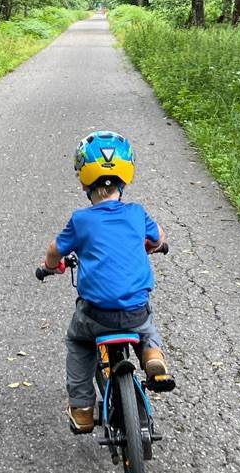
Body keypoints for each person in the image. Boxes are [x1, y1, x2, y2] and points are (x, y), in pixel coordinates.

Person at [40, 130, 174, 434]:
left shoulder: (81, 220)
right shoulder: (137, 213)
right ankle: (152, 355)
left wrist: (50, 267)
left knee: (78, 342)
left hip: (96, 316)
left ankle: (82, 408)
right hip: (134, 313)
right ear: (126, 176)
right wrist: (153, 245)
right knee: (145, 321)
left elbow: (54, 251)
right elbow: (159, 238)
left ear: (83, 180)